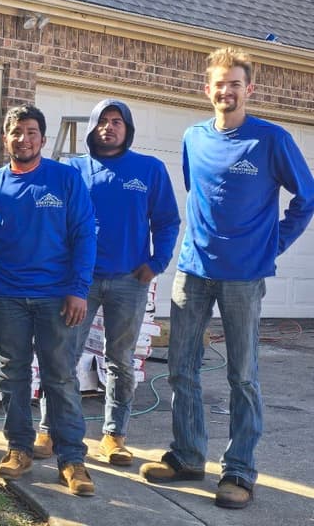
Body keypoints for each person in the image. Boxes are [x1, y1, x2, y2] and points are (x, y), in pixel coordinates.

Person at [140, 47, 314, 509]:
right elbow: (198, 192)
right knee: (181, 369)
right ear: (208, 89)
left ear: (249, 89)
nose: (226, 91)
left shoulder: (271, 140)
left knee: (243, 376)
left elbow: (307, 197)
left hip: (242, 278)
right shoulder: (194, 136)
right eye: (219, 84)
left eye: (235, 83)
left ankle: (239, 470)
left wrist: (272, 244)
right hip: (193, 270)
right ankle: (188, 455)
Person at [36, 99, 180, 464]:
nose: (109, 127)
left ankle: (114, 435)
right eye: (103, 120)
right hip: (77, 283)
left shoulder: (148, 169)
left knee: (120, 360)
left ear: (127, 129)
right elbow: (53, 220)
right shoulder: (73, 170)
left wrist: (156, 263)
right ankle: (50, 430)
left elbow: (167, 221)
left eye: (117, 121)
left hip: (129, 281)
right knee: (62, 357)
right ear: (92, 127)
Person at [0, 104, 97, 496]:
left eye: (30, 131)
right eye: (16, 132)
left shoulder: (66, 180)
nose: (23, 138)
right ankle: (19, 448)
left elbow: (84, 235)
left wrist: (78, 289)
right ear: (4, 139)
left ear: (42, 138)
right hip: (7, 297)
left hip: (57, 298)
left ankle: (72, 459)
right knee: (13, 376)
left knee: (60, 377)